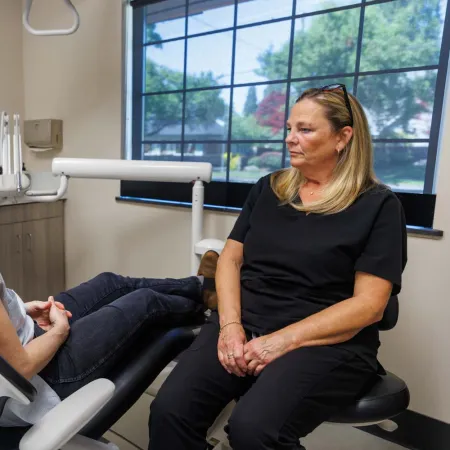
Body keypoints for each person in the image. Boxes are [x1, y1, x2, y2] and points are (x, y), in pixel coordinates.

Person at [148, 84, 407, 450]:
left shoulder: (378, 206)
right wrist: (230, 326)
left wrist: (280, 342)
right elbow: (230, 259)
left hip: (325, 342)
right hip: (245, 324)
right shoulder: (269, 189)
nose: (290, 139)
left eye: (304, 129)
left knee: (254, 430)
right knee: (170, 412)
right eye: (289, 128)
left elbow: (369, 305)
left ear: (342, 137)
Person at [0, 251, 219, 427]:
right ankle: (213, 308)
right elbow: (21, 366)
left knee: (110, 283)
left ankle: (203, 287)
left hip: (26, 341)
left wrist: (21, 312)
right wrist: (59, 331)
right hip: (43, 379)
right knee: (147, 303)